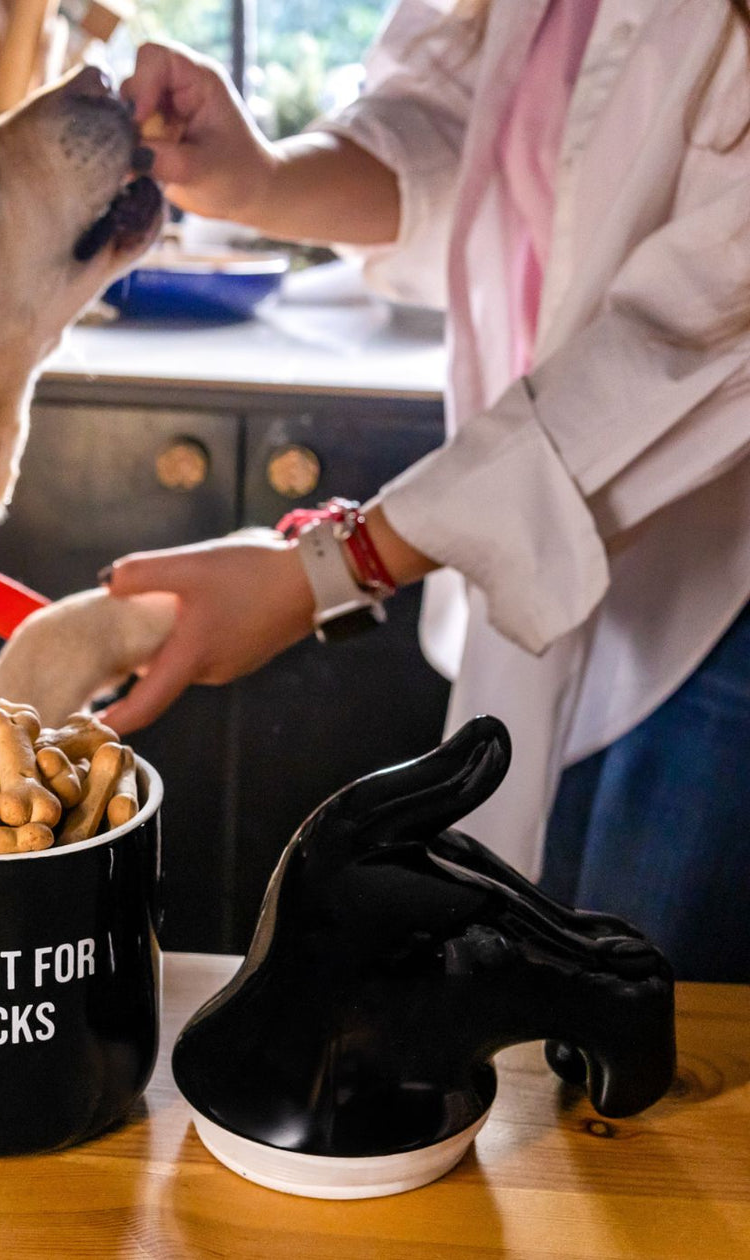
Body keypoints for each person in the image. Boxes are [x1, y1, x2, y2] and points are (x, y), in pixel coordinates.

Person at [99, 0, 750, 982]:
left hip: (723, 588)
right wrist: (262, 178)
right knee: (537, 999)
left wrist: (324, 572)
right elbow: (459, 141)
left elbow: (680, 348)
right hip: (550, 565)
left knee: (656, 1034)